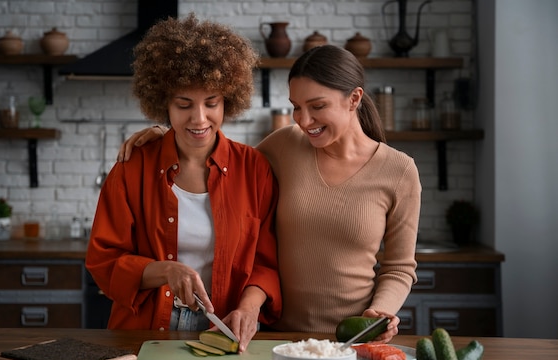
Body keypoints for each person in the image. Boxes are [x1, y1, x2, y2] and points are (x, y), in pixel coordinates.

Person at [119, 45, 421, 343]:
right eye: (296, 107)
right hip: (278, 336)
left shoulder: (399, 171)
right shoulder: (284, 145)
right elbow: (223, 159)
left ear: (354, 99)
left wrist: (380, 312)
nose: (303, 120)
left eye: (317, 107)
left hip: (354, 338)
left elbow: (399, 267)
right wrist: (168, 138)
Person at [86, 14, 282, 352]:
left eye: (212, 103)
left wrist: (248, 309)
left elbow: (265, 263)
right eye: (184, 104)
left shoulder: (255, 169)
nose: (199, 119)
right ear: (164, 103)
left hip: (223, 331)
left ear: (228, 101)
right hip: (142, 331)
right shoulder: (132, 168)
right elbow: (104, 261)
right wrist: (164, 271)